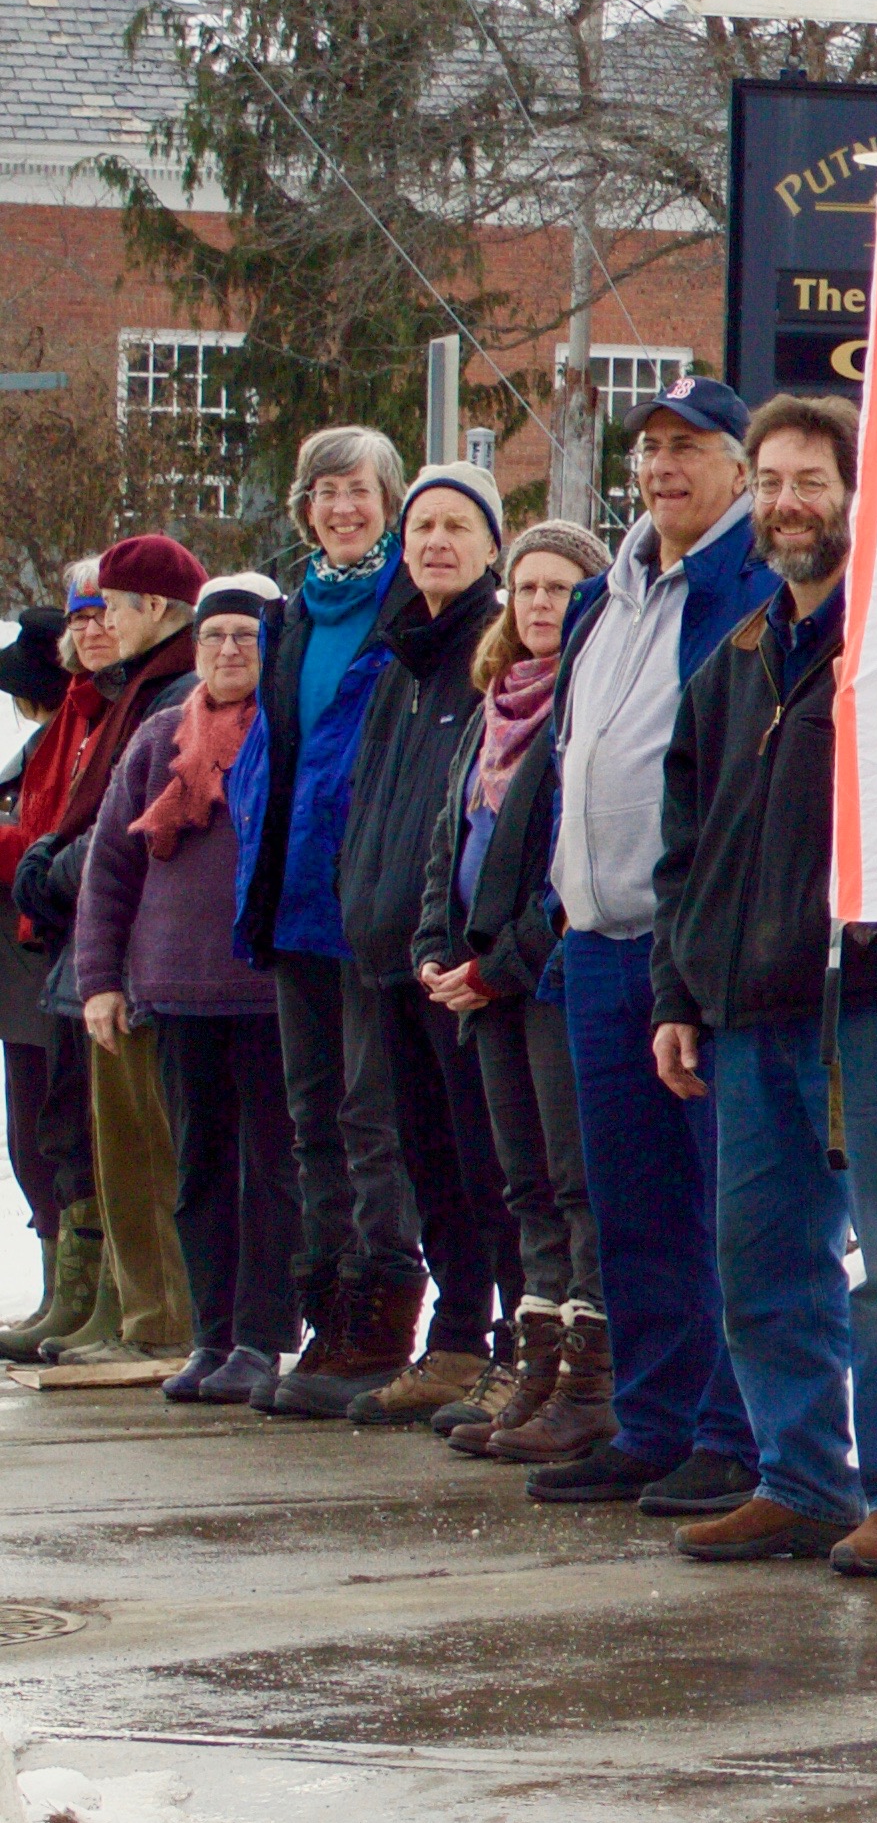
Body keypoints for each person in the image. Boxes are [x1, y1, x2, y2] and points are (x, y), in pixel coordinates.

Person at [653, 392, 877, 1577]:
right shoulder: (731, 665)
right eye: (772, 481)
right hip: (745, 1007)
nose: (788, 503)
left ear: (854, 500)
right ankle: (800, 1476)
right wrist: (675, 996)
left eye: (812, 482)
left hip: (876, 999)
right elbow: (683, 849)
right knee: (762, 1259)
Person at [536, 372, 772, 1515]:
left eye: (692, 446)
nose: (666, 466)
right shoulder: (608, 592)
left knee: (722, 1197)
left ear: (738, 464)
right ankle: (655, 1419)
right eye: (653, 448)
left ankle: (736, 1430)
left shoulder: (750, 583)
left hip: (700, 943)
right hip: (595, 942)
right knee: (628, 1203)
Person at [312, 461, 519, 1428]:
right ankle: (456, 1339)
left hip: (459, 962)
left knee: (487, 1163)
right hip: (385, 951)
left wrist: (453, 938)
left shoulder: (492, 651)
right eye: (424, 525)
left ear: (491, 546)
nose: (437, 541)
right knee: (428, 1158)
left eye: (457, 526)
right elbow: (374, 810)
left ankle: (517, 1345)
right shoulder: (401, 659)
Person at [415, 519, 617, 1465]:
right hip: (481, 981)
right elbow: (445, 846)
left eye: (561, 587)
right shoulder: (493, 701)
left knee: (576, 1181)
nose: (540, 603)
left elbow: (572, 866)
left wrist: (502, 964)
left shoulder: (592, 703)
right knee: (523, 1182)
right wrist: (434, 948)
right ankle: (535, 1368)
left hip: (546, 976)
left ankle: (590, 1380)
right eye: (527, 587)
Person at [72, 573, 296, 1403]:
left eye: (244, 636)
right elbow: (110, 869)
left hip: (272, 993)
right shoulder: (161, 735)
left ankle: (265, 1338)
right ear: (195, 647)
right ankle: (211, 1335)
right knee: (199, 1168)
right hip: (177, 992)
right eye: (214, 637)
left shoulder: (287, 731)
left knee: (272, 1172)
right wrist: (101, 979)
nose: (229, 651)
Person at [234, 426, 407, 1409]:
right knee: (311, 1121)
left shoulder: (403, 610)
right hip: (292, 901)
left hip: (367, 907)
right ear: (305, 509)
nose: (344, 508)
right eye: (326, 492)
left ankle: (381, 1328)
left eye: (360, 490)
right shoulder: (292, 614)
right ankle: (326, 1325)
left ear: (387, 499)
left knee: (369, 1114)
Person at [17, 536, 209, 1365]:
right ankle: (126, 1311)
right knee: (103, 1138)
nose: (101, 625)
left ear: (155, 611)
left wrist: (45, 864)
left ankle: (157, 1321)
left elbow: (123, 824)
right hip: (109, 940)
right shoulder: (129, 691)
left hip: (146, 941)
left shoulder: (171, 689)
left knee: (144, 1138)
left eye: (114, 607)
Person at [0, 591, 94, 1344]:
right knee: (32, 1129)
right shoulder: (50, 736)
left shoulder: (76, 731)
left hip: (48, 957)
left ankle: (76, 1291)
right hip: (27, 958)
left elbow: (49, 838)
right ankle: (58, 1288)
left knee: (49, 1127)